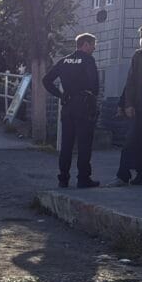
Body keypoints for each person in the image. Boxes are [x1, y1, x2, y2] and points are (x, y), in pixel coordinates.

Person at [107, 23, 142, 187]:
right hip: (141, 104)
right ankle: (129, 174)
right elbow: (131, 81)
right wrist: (127, 103)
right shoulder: (139, 56)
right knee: (133, 140)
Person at [42, 33, 101, 188]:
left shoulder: (64, 61)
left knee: (66, 144)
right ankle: (83, 178)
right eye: (93, 44)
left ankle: (63, 179)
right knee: (84, 144)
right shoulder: (88, 60)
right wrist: (93, 98)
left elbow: (46, 80)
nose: (94, 48)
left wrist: (60, 95)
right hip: (84, 104)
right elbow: (95, 84)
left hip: (68, 105)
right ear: (85, 44)